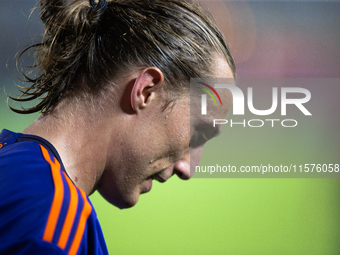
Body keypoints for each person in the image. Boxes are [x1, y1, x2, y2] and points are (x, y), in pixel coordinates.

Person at [0, 0, 236, 254]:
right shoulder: (50, 224)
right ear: (146, 91)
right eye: (198, 132)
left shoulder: (13, 167)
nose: (187, 169)